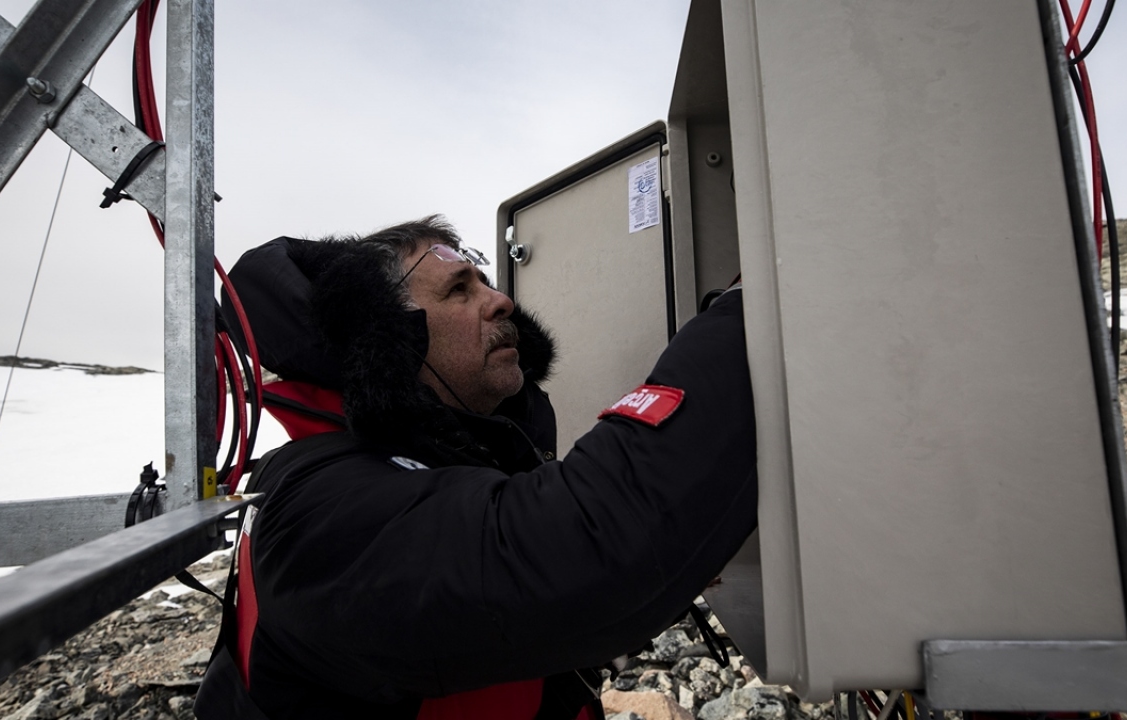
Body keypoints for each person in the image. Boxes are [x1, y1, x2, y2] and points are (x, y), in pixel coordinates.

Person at [195, 216, 758, 719]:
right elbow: (584, 559)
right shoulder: (317, 506)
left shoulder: (434, 466)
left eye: (484, 281)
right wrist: (750, 310)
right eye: (459, 290)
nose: (500, 300)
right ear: (384, 335)